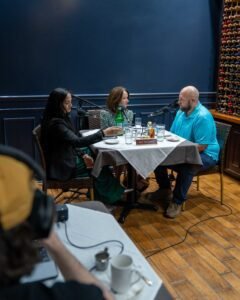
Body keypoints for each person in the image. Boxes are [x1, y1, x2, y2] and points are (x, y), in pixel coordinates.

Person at [0, 145, 114, 300]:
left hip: (64, 163)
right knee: (101, 169)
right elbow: (106, 296)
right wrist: (52, 240)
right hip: (64, 169)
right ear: (40, 218)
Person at [41, 87, 124, 204]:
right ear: (57, 104)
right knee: (99, 162)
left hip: (64, 158)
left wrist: (83, 154)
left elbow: (72, 142)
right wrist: (104, 132)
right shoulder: (56, 124)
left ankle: (105, 195)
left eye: (71, 102)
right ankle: (108, 198)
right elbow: (77, 142)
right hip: (61, 166)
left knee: (98, 158)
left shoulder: (58, 118)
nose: (70, 106)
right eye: (66, 103)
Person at [151, 86, 220, 218]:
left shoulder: (203, 117)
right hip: (185, 150)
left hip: (207, 154)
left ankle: (177, 201)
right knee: (157, 156)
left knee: (188, 165)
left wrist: (178, 153)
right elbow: (173, 134)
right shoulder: (181, 112)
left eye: (182, 100)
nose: (179, 102)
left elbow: (201, 146)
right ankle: (165, 190)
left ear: (193, 100)